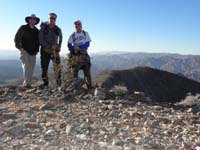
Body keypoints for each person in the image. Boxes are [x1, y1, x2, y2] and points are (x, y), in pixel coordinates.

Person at [14, 14, 40, 88]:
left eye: (34, 19)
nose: (32, 20)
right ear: (28, 20)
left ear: (36, 21)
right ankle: (27, 84)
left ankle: (28, 84)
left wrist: (37, 50)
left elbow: (38, 42)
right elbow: (17, 38)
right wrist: (20, 48)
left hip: (33, 52)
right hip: (24, 51)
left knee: (31, 68)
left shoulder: (37, 31)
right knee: (26, 67)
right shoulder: (23, 28)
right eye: (31, 19)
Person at [39, 13, 63, 87]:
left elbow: (61, 38)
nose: (52, 19)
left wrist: (59, 46)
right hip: (45, 51)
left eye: (53, 18)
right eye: (51, 18)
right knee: (44, 68)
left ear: (55, 19)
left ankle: (59, 84)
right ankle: (45, 84)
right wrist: (50, 46)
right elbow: (40, 40)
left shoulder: (58, 29)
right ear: (48, 18)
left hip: (55, 51)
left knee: (57, 67)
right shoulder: (43, 28)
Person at [68, 20, 92, 89]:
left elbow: (87, 44)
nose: (77, 26)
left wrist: (79, 47)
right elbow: (69, 44)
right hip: (75, 56)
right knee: (74, 74)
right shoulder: (72, 35)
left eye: (78, 24)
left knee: (87, 73)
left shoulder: (85, 33)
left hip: (84, 55)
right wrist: (73, 48)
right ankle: (75, 88)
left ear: (81, 25)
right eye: (75, 25)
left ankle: (89, 88)